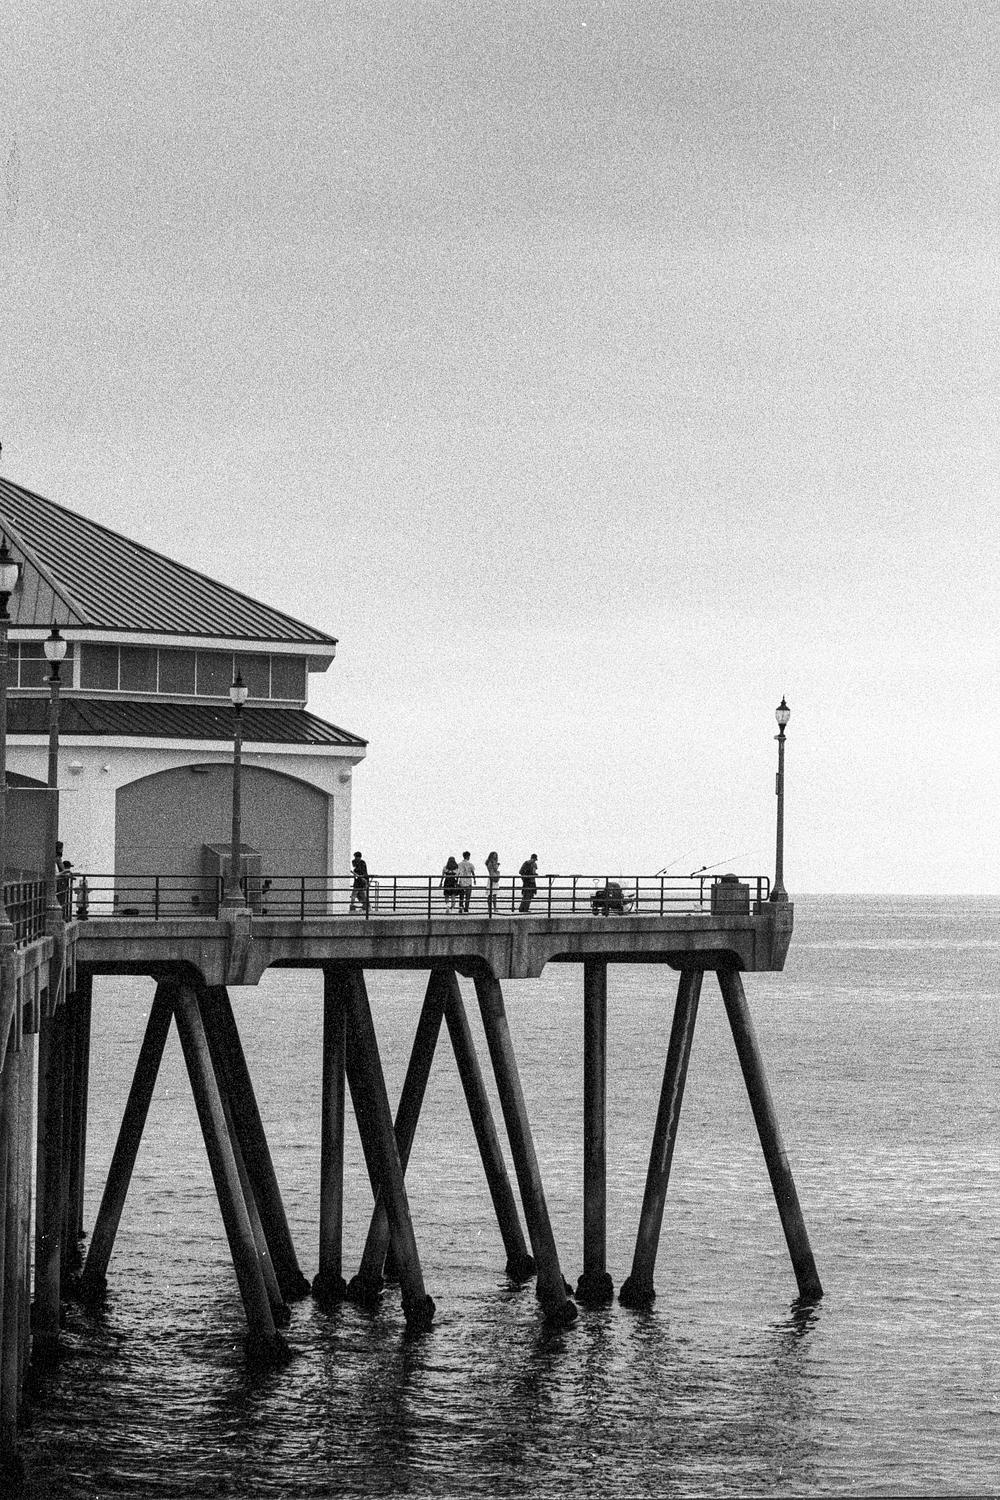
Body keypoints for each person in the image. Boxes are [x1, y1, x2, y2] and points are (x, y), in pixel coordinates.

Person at [485, 850, 500, 916]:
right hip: (494, 877)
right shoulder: (492, 862)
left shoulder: (488, 862)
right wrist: (497, 865)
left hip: (490, 878)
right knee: (494, 895)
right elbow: (495, 869)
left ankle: (489, 908)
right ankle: (494, 908)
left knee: (490, 894)